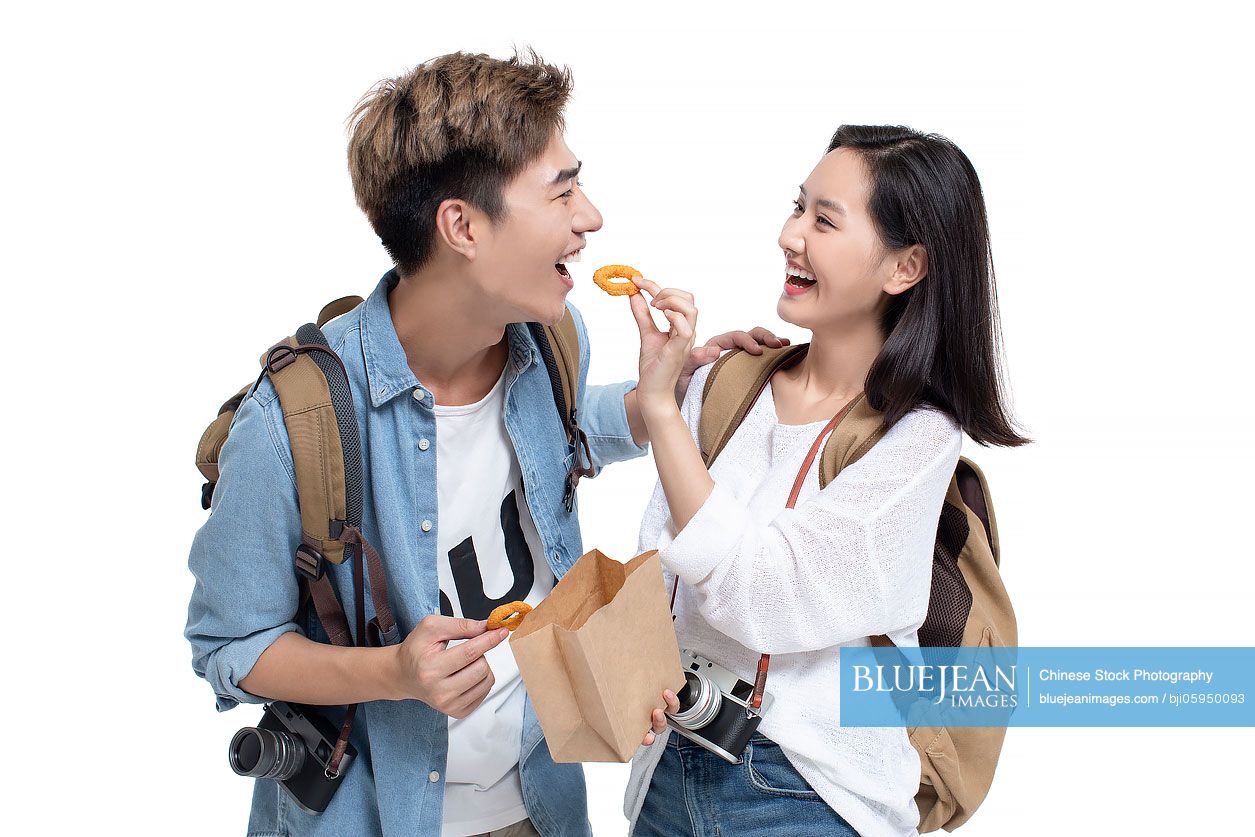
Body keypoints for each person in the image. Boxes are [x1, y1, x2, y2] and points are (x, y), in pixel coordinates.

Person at [184, 50, 781, 837]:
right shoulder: (290, 422)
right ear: (462, 225)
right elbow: (231, 643)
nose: (590, 215)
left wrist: (660, 396)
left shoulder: (550, 336)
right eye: (562, 188)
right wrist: (393, 673)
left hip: (540, 806)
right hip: (374, 815)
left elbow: (562, 433)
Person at [623, 125, 1031, 837]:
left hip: (807, 793)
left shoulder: (914, 436)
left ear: (904, 267)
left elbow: (765, 597)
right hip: (669, 767)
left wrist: (660, 409)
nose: (789, 235)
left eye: (823, 219)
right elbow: (658, 565)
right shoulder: (722, 382)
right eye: (796, 206)